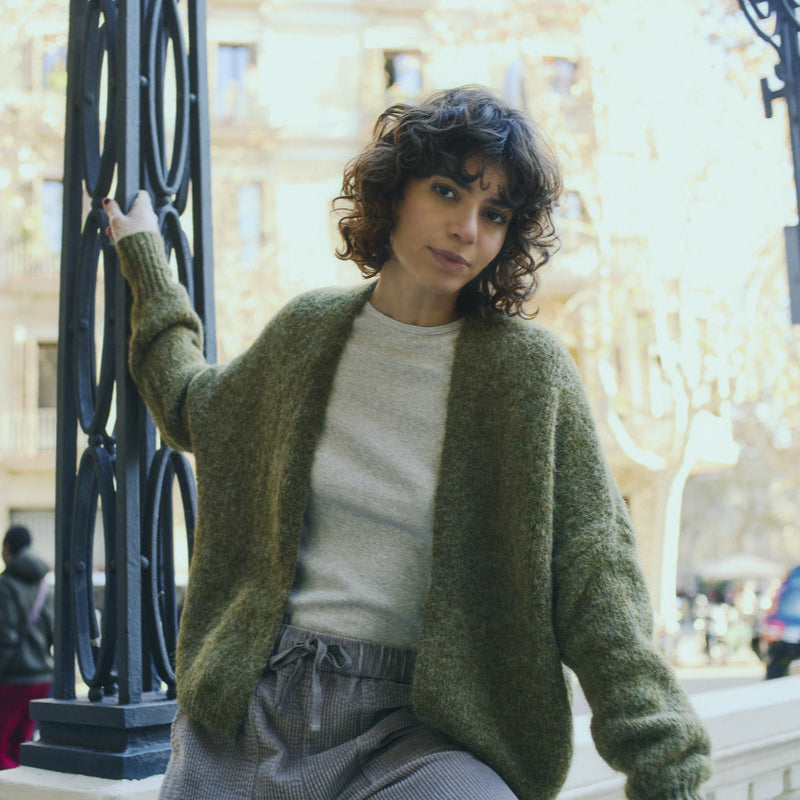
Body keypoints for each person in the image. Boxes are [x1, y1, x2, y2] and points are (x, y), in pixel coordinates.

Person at [105, 86, 711, 800]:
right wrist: (146, 259)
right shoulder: (307, 334)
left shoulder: (527, 373)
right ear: (394, 195)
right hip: (252, 706)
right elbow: (189, 407)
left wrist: (667, 769)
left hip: (418, 730)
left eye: (495, 214)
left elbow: (595, 580)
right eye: (448, 191)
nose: (467, 229)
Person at [0, 525, 54, 769]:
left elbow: (5, 637)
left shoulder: (6, 586)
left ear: (7, 549)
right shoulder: (45, 587)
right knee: (23, 745)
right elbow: (55, 633)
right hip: (42, 678)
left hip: (12, 678)